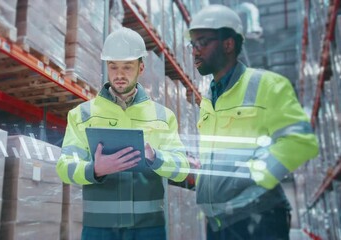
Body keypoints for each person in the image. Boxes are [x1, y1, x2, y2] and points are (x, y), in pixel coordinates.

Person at [187, 4, 319, 240]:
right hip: (218, 221)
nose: (195, 51)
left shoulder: (266, 84)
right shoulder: (208, 101)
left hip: (258, 218)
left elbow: (300, 140)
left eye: (203, 42)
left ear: (228, 44)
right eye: (193, 45)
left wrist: (250, 173)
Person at [56, 27, 189, 240]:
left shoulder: (163, 117)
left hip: (148, 229)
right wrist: (95, 169)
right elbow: (64, 167)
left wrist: (156, 158)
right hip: (99, 229)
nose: (119, 74)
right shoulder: (82, 114)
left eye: (127, 67)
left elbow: (182, 169)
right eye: (113, 66)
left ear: (141, 68)